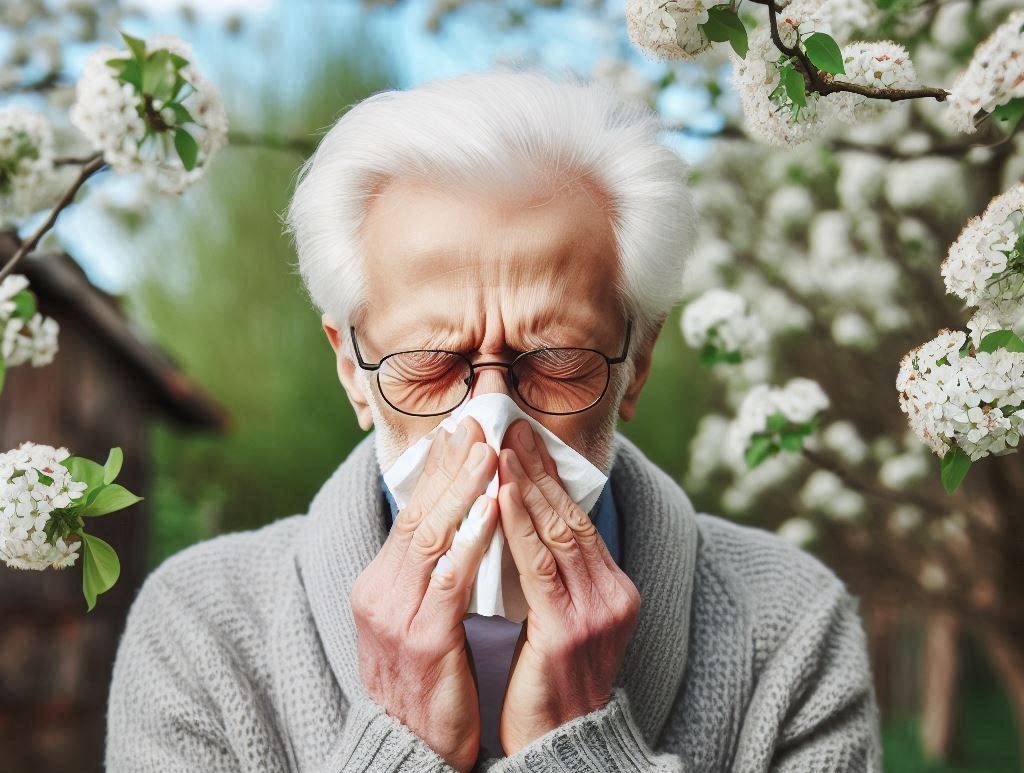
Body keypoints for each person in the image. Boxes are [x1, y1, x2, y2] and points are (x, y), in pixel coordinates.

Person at [104, 66, 882, 772]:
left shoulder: (788, 626)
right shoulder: (201, 629)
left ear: (636, 364)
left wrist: (581, 749)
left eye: (555, 359)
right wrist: (398, 741)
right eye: (431, 363)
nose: (491, 419)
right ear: (352, 368)